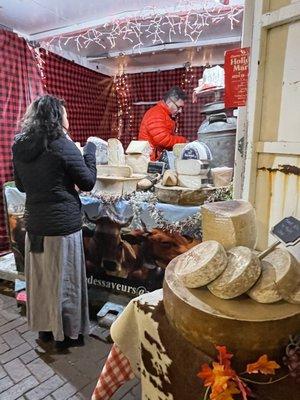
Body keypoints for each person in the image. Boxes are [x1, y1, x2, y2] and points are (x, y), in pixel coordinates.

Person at [12, 95, 97, 350]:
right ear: (57, 117)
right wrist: (90, 152)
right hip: (62, 229)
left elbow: (21, 186)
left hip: (36, 228)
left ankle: (47, 330)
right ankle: (68, 334)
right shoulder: (63, 144)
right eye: (65, 114)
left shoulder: (20, 145)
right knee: (65, 283)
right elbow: (88, 182)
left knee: (42, 282)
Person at [138, 86, 187, 160]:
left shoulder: (164, 113)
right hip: (150, 161)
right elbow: (163, 140)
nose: (180, 111)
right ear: (170, 102)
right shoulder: (156, 113)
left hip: (154, 158)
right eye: (178, 107)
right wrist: (184, 141)